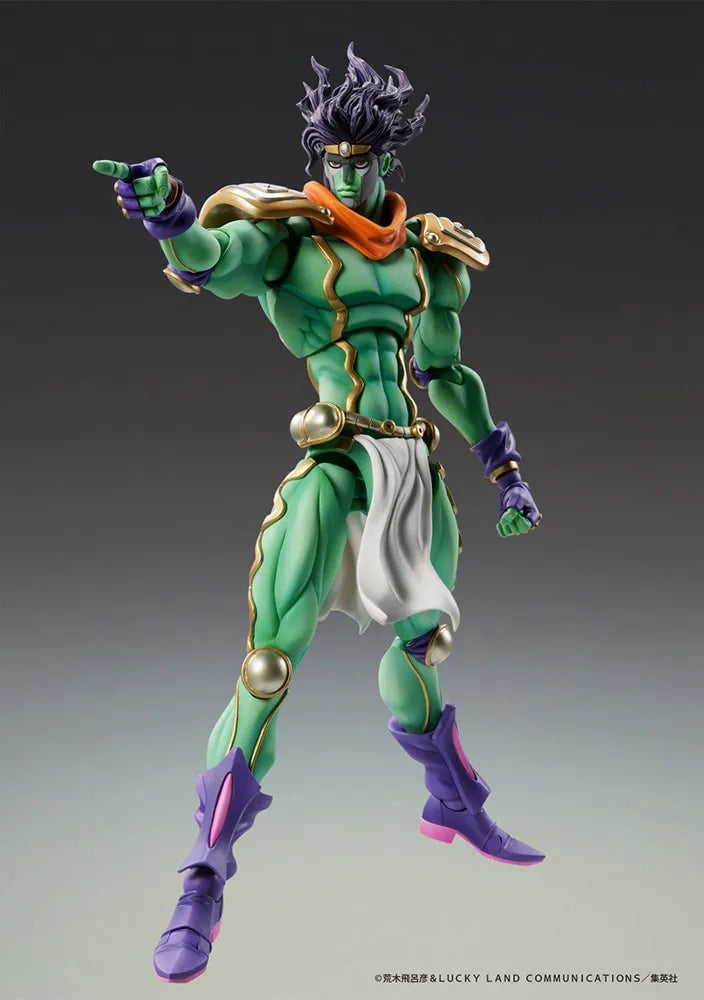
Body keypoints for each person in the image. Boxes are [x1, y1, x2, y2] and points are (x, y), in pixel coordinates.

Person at [93, 42, 545, 985]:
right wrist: (170, 213)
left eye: (358, 158)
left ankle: (453, 802)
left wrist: (505, 470)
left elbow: (448, 373)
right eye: (330, 157)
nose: (342, 171)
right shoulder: (290, 239)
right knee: (268, 663)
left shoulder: (431, 256)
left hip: (411, 466)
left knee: (424, 645)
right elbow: (211, 259)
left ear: (386, 158)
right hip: (336, 460)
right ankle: (203, 876)